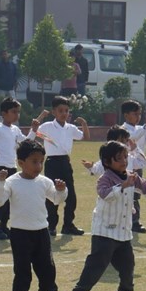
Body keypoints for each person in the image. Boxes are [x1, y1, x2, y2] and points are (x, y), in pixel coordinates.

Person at [68, 140, 146, 291]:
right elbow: (105, 194)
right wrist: (123, 186)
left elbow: (145, 186)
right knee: (96, 266)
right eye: (119, 158)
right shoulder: (104, 179)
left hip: (123, 232)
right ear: (107, 162)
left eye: (126, 157)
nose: (124, 161)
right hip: (104, 231)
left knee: (128, 265)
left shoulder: (131, 176)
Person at [0, 139, 67, 291]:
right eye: (34, 162)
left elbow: (56, 199)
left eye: (41, 162)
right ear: (21, 162)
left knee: (47, 268)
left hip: (41, 232)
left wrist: (61, 190)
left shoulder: (44, 182)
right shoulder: (11, 182)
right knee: (22, 270)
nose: (38, 166)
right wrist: (0, 183)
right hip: (20, 233)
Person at [35, 95, 89, 235]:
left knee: (71, 196)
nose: (64, 113)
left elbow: (85, 137)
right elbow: (34, 131)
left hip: (65, 162)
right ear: (54, 112)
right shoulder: (47, 126)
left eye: (66, 110)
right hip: (52, 163)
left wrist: (84, 124)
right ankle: (51, 226)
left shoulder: (70, 128)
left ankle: (68, 225)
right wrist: (41, 117)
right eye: (60, 110)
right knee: (52, 195)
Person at [0, 97, 33, 239]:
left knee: (10, 199)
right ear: (4, 113)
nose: (17, 114)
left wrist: (34, 130)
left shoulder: (15, 129)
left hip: (12, 166)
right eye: (13, 111)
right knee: (2, 199)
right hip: (0, 167)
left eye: (18, 112)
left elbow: (26, 142)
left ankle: (3, 226)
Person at [119, 100, 146, 233]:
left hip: (138, 166)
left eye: (139, 114)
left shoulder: (141, 129)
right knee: (125, 195)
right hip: (127, 166)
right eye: (135, 114)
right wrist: (145, 127)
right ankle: (124, 221)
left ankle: (135, 222)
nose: (138, 117)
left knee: (136, 195)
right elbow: (133, 138)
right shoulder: (122, 129)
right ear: (126, 115)